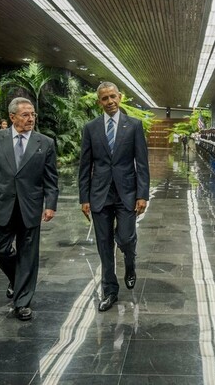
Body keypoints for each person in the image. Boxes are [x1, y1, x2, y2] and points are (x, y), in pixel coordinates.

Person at [0, 97, 59, 321]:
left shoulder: (45, 142)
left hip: (31, 205)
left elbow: (51, 179)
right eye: (25, 115)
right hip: (1, 204)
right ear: (12, 117)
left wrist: (50, 204)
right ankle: (18, 279)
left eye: (33, 114)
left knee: (28, 255)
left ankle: (23, 302)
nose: (31, 118)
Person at [79, 81, 150, 312]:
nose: (109, 102)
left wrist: (143, 194)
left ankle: (130, 263)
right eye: (104, 98)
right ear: (99, 102)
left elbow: (142, 163)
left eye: (112, 97)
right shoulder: (91, 128)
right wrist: (84, 198)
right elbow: (85, 165)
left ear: (120, 97)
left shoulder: (134, 126)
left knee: (127, 238)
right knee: (104, 245)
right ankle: (110, 290)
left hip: (127, 193)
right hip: (99, 194)